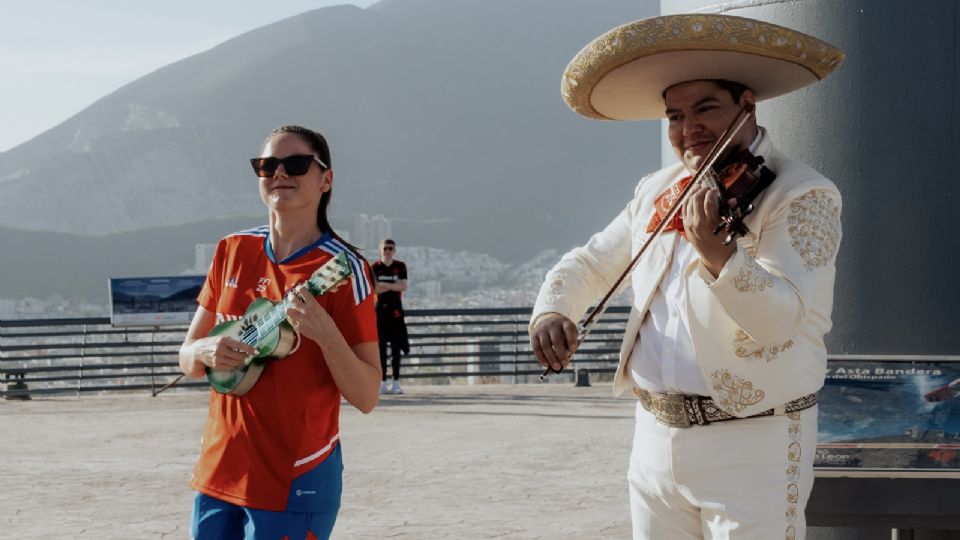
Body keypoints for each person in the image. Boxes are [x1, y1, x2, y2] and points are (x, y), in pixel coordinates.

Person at [530, 14, 844, 540]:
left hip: (755, 441)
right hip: (654, 434)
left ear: (747, 104)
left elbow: (783, 320)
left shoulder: (803, 193)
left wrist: (720, 257)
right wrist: (553, 308)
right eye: (674, 116)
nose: (688, 129)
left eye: (705, 109)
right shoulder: (658, 188)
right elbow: (592, 261)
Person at [178, 125, 380, 540]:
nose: (280, 174)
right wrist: (206, 349)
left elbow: (367, 395)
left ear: (326, 180)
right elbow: (186, 360)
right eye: (267, 165)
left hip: (297, 476)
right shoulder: (231, 250)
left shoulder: (347, 270)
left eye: (296, 164)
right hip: (220, 467)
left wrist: (326, 334)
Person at [371, 238, 409, 394]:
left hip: (396, 312)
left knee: (396, 348)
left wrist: (384, 285)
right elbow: (374, 290)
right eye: (385, 248)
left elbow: (404, 286)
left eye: (390, 248)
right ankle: (382, 382)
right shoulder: (374, 267)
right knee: (380, 349)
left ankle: (396, 382)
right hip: (379, 311)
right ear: (380, 250)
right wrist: (394, 286)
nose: (387, 251)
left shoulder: (400, 266)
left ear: (394, 250)